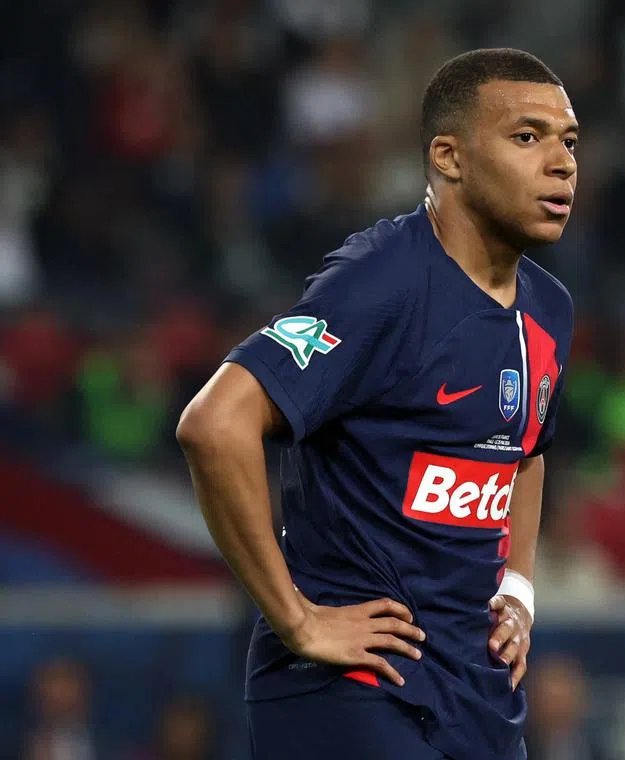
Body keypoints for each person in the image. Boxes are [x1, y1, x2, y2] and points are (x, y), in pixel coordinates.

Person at [176, 48, 577, 759]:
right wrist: (298, 621)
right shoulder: (381, 283)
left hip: (478, 695)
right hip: (354, 686)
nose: (561, 162)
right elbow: (215, 424)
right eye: (527, 137)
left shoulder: (549, 309)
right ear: (448, 157)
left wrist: (519, 587)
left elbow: (524, 452)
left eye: (568, 141)